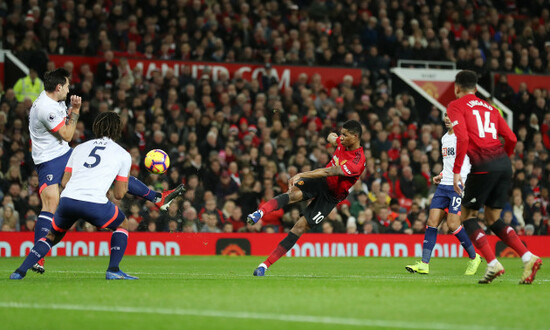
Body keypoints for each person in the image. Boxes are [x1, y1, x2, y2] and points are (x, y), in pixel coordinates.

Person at [28, 68, 184, 274]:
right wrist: (75, 110)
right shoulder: (44, 107)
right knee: (50, 204)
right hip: (48, 160)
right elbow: (66, 134)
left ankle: (157, 198)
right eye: (66, 85)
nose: (68, 89)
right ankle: (39, 259)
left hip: (63, 153)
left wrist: (68, 110)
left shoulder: (55, 101)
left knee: (109, 171)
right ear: (58, 87)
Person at [11, 112, 137, 280]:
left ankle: (19, 272)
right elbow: (119, 194)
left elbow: (64, 181)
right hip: (94, 203)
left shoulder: (79, 148)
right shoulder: (123, 154)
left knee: (51, 236)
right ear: (118, 129)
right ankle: (113, 269)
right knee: (122, 224)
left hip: (68, 200)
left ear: (96, 127)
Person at [447, 70, 542, 284]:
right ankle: (528, 257)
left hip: (483, 165)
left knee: (467, 216)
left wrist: (456, 171)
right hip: (503, 164)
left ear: (457, 88)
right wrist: (503, 158)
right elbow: (511, 137)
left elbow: (461, 138)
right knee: (492, 218)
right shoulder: (491, 107)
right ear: (476, 88)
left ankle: (492, 263)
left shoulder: (456, 105)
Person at [247, 120, 366, 276]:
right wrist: (332, 137)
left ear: (356, 137)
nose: (341, 137)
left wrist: (301, 174)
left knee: (300, 227)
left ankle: (264, 265)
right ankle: (259, 213)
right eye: (341, 134)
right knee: (293, 194)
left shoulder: (357, 161)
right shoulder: (342, 142)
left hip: (330, 197)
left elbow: (329, 172)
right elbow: (332, 137)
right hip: (321, 182)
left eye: (345, 135)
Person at [406, 113, 481, 275]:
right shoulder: (445, 138)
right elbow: (449, 163)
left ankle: (474, 258)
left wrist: (468, 179)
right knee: (432, 222)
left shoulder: (465, 136)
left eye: (451, 115)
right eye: (446, 115)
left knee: (453, 224)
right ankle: (424, 264)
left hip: (457, 186)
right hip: (443, 185)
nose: (447, 118)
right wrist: (441, 174)